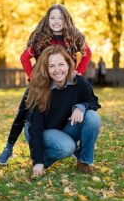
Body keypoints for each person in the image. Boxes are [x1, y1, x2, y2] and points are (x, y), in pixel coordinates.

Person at [0, 4, 92, 166]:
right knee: (23, 113)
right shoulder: (41, 38)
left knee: (68, 112)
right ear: (47, 20)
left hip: (65, 81)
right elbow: (24, 57)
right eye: (52, 18)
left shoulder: (74, 36)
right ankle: (9, 147)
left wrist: (79, 71)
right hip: (42, 83)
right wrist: (33, 77)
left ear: (66, 19)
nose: (56, 22)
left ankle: (71, 146)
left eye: (60, 18)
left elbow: (87, 53)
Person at [24, 47, 102, 178]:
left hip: (63, 127)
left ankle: (85, 162)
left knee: (93, 117)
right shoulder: (39, 88)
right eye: (52, 66)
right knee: (67, 147)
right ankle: (40, 159)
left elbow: (93, 101)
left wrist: (81, 107)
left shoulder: (80, 82)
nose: (57, 69)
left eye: (61, 64)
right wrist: (38, 161)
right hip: (39, 130)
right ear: (46, 69)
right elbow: (36, 126)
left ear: (68, 64)